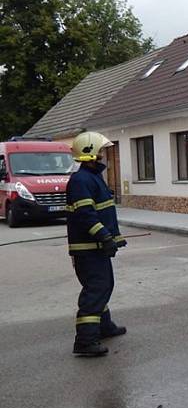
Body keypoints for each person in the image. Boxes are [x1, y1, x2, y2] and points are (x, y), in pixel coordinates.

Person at [66, 131, 127, 357]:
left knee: (104, 285)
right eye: (101, 150)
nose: (104, 154)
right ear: (91, 153)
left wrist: (112, 238)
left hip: (96, 247)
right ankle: (85, 341)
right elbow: (86, 215)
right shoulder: (82, 180)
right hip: (89, 248)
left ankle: (104, 325)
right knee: (96, 289)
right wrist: (104, 236)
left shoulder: (91, 178)